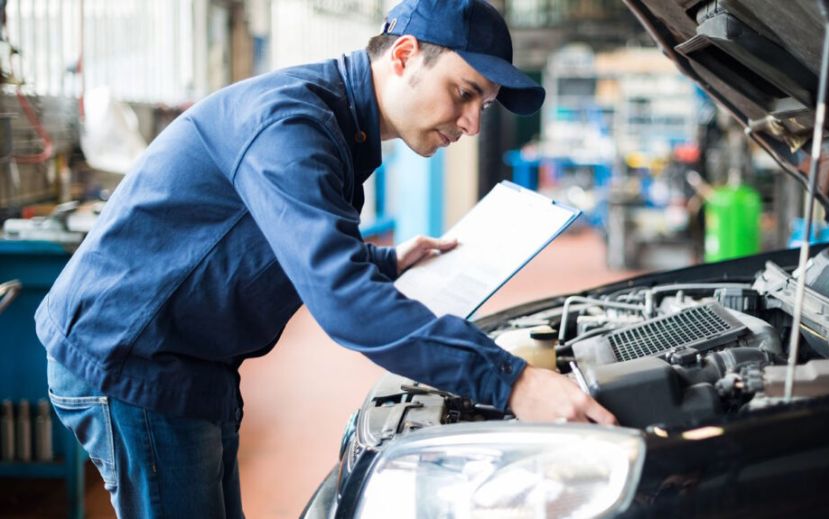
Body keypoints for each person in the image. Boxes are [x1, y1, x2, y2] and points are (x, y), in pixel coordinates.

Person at [37, 0, 616, 516]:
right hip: (133, 358)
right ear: (404, 56)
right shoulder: (293, 124)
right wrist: (512, 383)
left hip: (192, 360)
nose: (470, 123)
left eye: (482, 107)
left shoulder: (341, 127)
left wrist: (385, 261)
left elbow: (273, 237)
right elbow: (343, 303)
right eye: (464, 92)